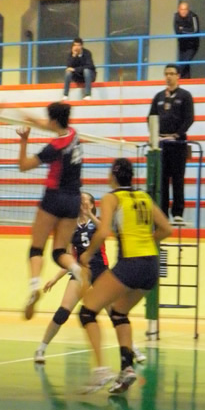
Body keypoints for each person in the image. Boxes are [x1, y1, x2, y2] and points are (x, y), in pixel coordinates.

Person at [78, 157, 171, 393]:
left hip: (130, 264)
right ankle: (127, 369)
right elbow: (167, 229)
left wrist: (87, 254)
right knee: (119, 313)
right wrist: (147, 241)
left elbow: (103, 232)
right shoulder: (144, 197)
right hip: (151, 266)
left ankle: (101, 370)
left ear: (112, 175)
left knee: (87, 312)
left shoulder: (111, 198)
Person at [34, 192, 147, 367]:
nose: (81, 203)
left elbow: (106, 231)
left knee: (115, 313)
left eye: (85, 200)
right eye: (80, 201)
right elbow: (69, 257)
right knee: (63, 312)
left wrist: (90, 215)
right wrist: (55, 278)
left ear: (92, 205)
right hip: (81, 272)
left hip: (101, 273)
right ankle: (41, 348)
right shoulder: (70, 227)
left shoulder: (98, 222)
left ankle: (132, 348)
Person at [18, 102, 83, 320]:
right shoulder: (74, 134)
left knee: (37, 247)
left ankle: (34, 286)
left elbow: (23, 165)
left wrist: (24, 141)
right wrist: (28, 116)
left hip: (54, 198)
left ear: (54, 121)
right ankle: (77, 270)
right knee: (59, 252)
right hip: (74, 200)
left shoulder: (53, 148)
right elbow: (48, 125)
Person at [147, 64, 194, 225]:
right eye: (166, 73)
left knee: (178, 179)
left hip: (178, 144)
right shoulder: (159, 96)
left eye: (172, 73)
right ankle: (163, 214)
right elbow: (150, 118)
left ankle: (178, 213)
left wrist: (176, 135)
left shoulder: (185, 96)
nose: (168, 76)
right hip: (161, 145)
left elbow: (189, 118)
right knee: (162, 180)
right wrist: (154, 136)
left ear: (178, 76)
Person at [173, 1, 200, 79]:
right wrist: (186, 30)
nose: (183, 11)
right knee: (184, 64)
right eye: (182, 9)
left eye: (185, 9)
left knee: (184, 62)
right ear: (178, 10)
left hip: (192, 44)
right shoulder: (176, 16)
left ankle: (176, 75)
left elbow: (195, 31)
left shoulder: (193, 16)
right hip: (182, 44)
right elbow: (177, 31)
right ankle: (186, 80)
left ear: (188, 10)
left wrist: (183, 29)